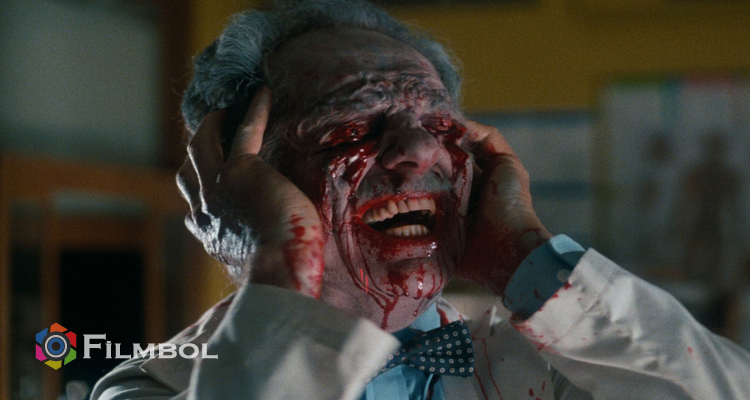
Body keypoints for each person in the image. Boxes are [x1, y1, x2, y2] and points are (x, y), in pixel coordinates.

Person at [91, 1, 750, 399]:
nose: (422, 151)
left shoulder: (556, 365)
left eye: (439, 126)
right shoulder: (153, 385)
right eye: (353, 128)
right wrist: (283, 264)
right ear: (237, 182)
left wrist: (526, 257)